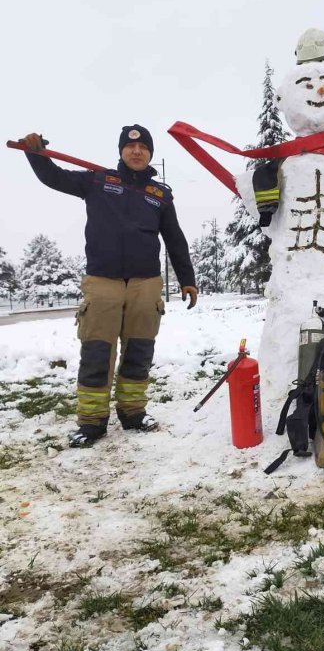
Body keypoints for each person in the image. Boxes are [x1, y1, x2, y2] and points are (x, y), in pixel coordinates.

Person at [21, 126, 198, 447]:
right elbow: (55, 178)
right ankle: (91, 422)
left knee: (140, 351)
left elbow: (174, 238)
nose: (137, 151)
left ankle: (132, 413)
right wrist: (36, 154)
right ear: (121, 152)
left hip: (146, 283)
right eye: (131, 147)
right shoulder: (97, 181)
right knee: (97, 352)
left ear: (150, 154)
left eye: (144, 147)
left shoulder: (160, 195)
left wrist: (187, 279)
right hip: (103, 280)